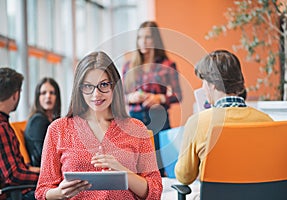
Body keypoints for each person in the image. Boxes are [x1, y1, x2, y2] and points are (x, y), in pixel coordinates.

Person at [35, 51, 162, 200]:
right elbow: (42, 191)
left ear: (114, 86)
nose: (96, 94)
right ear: (79, 88)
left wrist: (124, 173)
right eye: (88, 86)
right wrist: (59, 193)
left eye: (103, 85)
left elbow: (155, 190)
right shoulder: (58, 129)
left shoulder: (136, 129)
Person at [175, 50, 273, 185]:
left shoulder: (198, 122)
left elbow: (184, 176)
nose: (203, 87)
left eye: (203, 81)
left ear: (213, 84)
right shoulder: (266, 121)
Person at [122, 21, 182, 176]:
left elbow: (178, 95)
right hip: (134, 119)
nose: (143, 41)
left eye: (148, 37)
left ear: (155, 39)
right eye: (140, 37)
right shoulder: (129, 66)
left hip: (159, 118)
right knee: (137, 166)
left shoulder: (167, 64)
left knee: (160, 165)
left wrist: (159, 98)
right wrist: (130, 97)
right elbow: (119, 96)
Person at [0, 67, 39, 200]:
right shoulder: (2, 127)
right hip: (12, 194)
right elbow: (13, 175)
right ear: (15, 95)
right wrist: (46, 177)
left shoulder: (4, 124)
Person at [24, 77, 61, 167]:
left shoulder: (53, 120)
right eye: (43, 93)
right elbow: (43, 156)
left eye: (52, 93)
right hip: (43, 171)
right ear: (38, 97)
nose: (48, 96)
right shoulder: (38, 120)